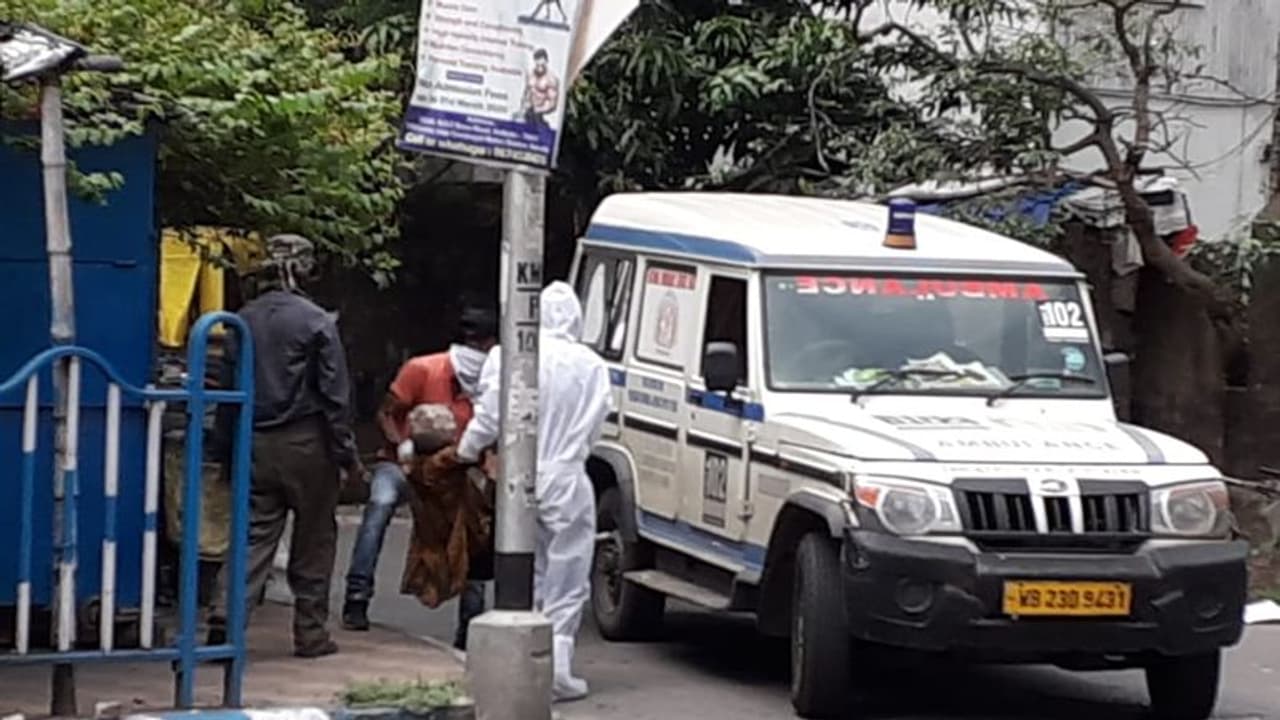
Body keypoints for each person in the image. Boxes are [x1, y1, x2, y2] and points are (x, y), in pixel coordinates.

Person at [454, 281, 613, 701]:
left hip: (519, 472)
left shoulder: (509, 355)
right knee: (567, 571)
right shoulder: (591, 365)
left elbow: (489, 414)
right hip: (567, 475)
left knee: (527, 565)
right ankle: (555, 664)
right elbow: (598, 425)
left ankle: (527, 658)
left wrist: (466, 451)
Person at [209, 234, 361, 658]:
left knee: (253, 535)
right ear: (306, 267)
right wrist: (346, 456)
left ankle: (226, 612)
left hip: (253, 442)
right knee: (314, 538)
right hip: (307, 444)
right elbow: (335, 397)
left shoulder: (242, 319)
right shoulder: (316, 321)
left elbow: (226, 391)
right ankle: (310, 634)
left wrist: (224, 453)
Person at [341, 304, 498, 650]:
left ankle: (468, 627)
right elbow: (386, 413)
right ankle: (357, 594)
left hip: (455, 468)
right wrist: (402, 449)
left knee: (475, 529)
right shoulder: (423, 369)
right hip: (406, 464)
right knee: (380, 504)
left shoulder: (491, 382)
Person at [520, 48, 559, 128]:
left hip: (540, 115)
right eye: (537, 65)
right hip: (527, 113)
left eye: (542, 65)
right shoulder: (530, 74)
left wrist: (539, 109)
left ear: (546, 62)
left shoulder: (551, 79)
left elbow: (553, 104)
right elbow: (526, 92)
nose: (539, 68)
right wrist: (523, 106)